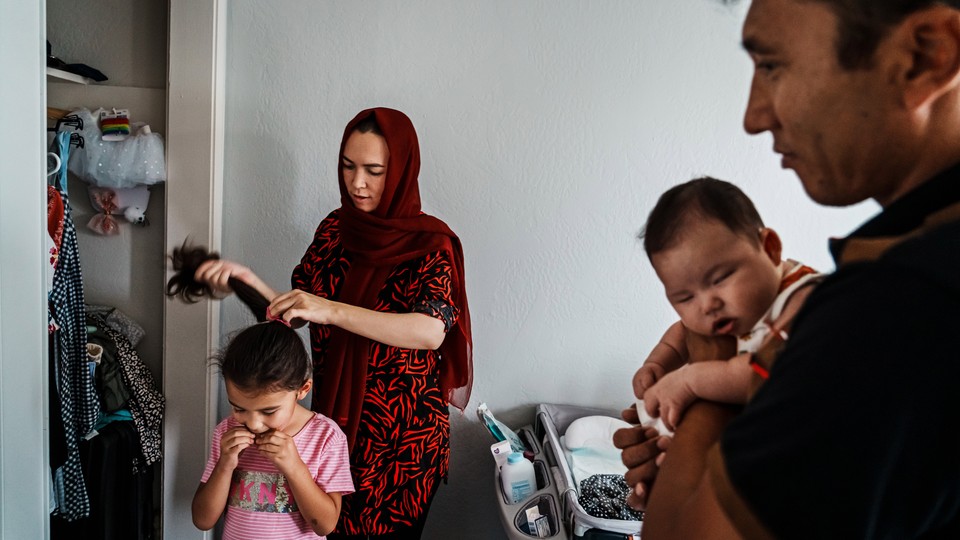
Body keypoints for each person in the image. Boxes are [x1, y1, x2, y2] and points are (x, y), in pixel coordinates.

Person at [614, 1, 960, 538]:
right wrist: (690, 463)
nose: (754, 116)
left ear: (925, 56)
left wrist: (704, 382)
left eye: (772, 66)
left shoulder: (902, 305)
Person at [194, 107, 473, 539]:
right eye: (348, 166)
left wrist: (331, 310)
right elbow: (297, 311)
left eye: (374, 170)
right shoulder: (334, 231)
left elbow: (430, 331)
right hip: (335, 427)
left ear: (400, 170)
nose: (356, 182)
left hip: (401, 442)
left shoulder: (429, 246)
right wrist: (244, 280)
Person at [634, 177, 821, 431]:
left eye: (720, 279)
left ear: (770, 248)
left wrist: (689, 381)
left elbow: (762, 376)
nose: (707, 305)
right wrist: (657, 364)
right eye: (685, 298)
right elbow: (682, 332)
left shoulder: (805, 298)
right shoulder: (733, 312)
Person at [190, 322, 355, 539]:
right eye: (239, 408)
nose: (254, 424)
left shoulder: (326, 437)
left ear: (302, 390)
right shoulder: (226, 432)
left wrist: (295, 468)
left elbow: (324, 525)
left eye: (268, 411)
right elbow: (202, 520)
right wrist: (224, 465)